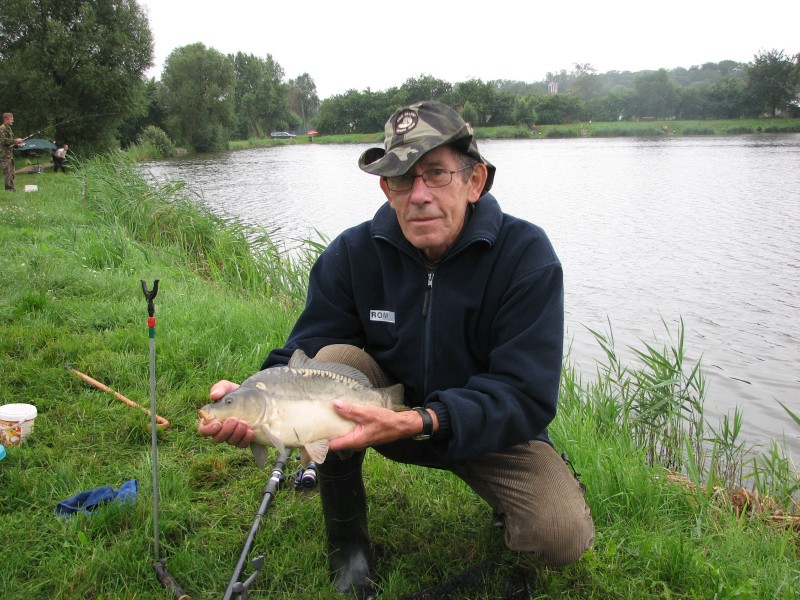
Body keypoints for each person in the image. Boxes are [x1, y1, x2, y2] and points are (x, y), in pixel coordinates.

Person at [199, 100, 594, 597]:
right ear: (387, 189)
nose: (419, 195)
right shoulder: (352, 252)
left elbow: (527, 394)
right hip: (375, 416)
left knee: (562, 535)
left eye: (436, 174)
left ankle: (511, 510)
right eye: (403, 179)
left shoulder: (526, 257)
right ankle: (349, 546)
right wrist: (254, 393)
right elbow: (305, 349)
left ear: (475, 181)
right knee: (332, 362)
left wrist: (427, 420)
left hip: (483, 430)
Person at [0, 113, 24, 192]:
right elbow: (4, 141)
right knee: (8, 172)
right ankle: (9, 190)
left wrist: (18, 144)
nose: (13, 121)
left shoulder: (8, 128)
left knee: (12, 172)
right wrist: (16, 140)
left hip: (9, 155)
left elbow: (10, 142)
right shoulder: (2, 128)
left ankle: (11, 189)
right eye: (11, 119)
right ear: (6, 119)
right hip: (4, 155)